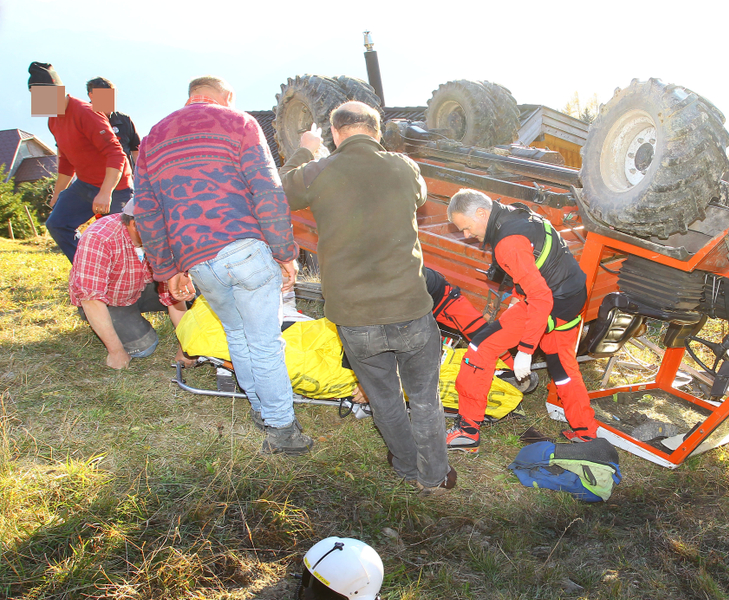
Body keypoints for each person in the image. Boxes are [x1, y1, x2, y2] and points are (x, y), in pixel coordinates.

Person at [280, 103, 455, 492]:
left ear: (335, 132)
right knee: (425, 397)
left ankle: (407, 466)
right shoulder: (403, 166)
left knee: (384, 397)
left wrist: (307, 148)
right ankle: (434, 475)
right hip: (409, 307)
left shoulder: (317, 171)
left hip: (355, 315)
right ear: (377, 131)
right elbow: (419, 195)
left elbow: (276, 191)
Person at [133, 75, 312, 456]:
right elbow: (266, 189)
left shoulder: (151, 139)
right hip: (245, 248)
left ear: (191, 97)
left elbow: (148, 212)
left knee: (236, 334)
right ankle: (282, 430)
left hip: (198, 261)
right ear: (226, 97)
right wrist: (284, 252)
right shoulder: (239, 122)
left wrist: (168, 271)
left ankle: (262, 411)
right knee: (264, 342)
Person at [445, 189, 599, 452]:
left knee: (480, 348)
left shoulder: (508, 243)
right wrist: (518, 295)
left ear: (482, 213)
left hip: (549, 302)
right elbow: (541, 262)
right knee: (562, 367)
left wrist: (525, 351)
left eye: (467, 228)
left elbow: (540, 297)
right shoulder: (517, 213)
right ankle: (586, 433)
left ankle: (467, 430)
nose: (467, 235)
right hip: (572, 298)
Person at [27, 62, 132, 264]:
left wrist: (105, 192)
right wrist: (58, 193)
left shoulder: (86, 113)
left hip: (115, 186)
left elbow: (116, 154)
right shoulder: (53, 120)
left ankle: (130, 282)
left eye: (40, 96)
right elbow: (66, 159)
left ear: (57, 91)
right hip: (85, 184)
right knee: (58, 224)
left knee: (121, 240)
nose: (37, 102)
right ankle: (88, 270)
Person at [69, 199, 190, 369]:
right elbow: (91, 299)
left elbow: (172, 290)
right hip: (109, 300)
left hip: (142, 286)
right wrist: (116, 351)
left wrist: (186, 346)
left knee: (195, 293)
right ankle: (109, 324)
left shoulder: (158, 237)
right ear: (135, 224)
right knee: (143, 348)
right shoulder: (99, 238)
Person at [86, 77, 141, 171]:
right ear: (92, 96)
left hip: (124, 179)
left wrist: (140, 177)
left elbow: (136, 151)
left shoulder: (124, 120)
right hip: (93, 179)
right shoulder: (82, 120)